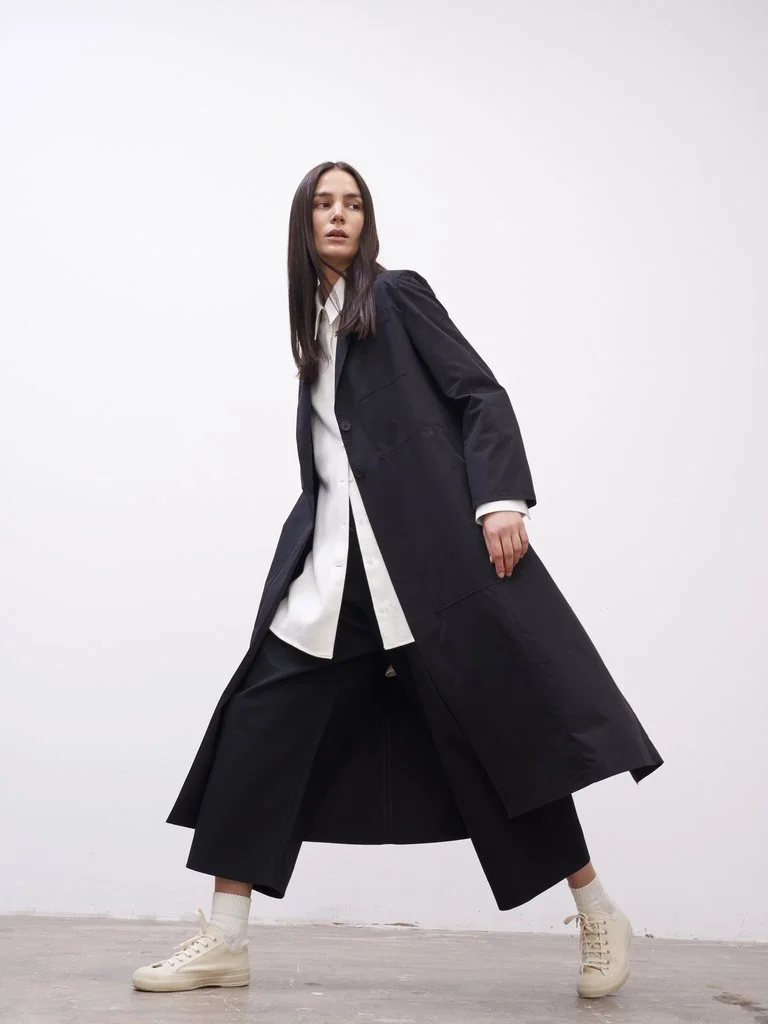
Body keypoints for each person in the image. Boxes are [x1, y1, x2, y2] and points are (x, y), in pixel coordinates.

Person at [132, 161, 662, 999]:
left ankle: (599, 913)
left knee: (498, 742)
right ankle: (225, 940)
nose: (339, 215)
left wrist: (499, 499)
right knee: (255, 734)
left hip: (426, 575)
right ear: (304, 223)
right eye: (323, 204)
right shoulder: (314, 332)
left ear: (366, 221)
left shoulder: (397, 296)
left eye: (353, 203)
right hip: (334, 581)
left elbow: (480, 393)